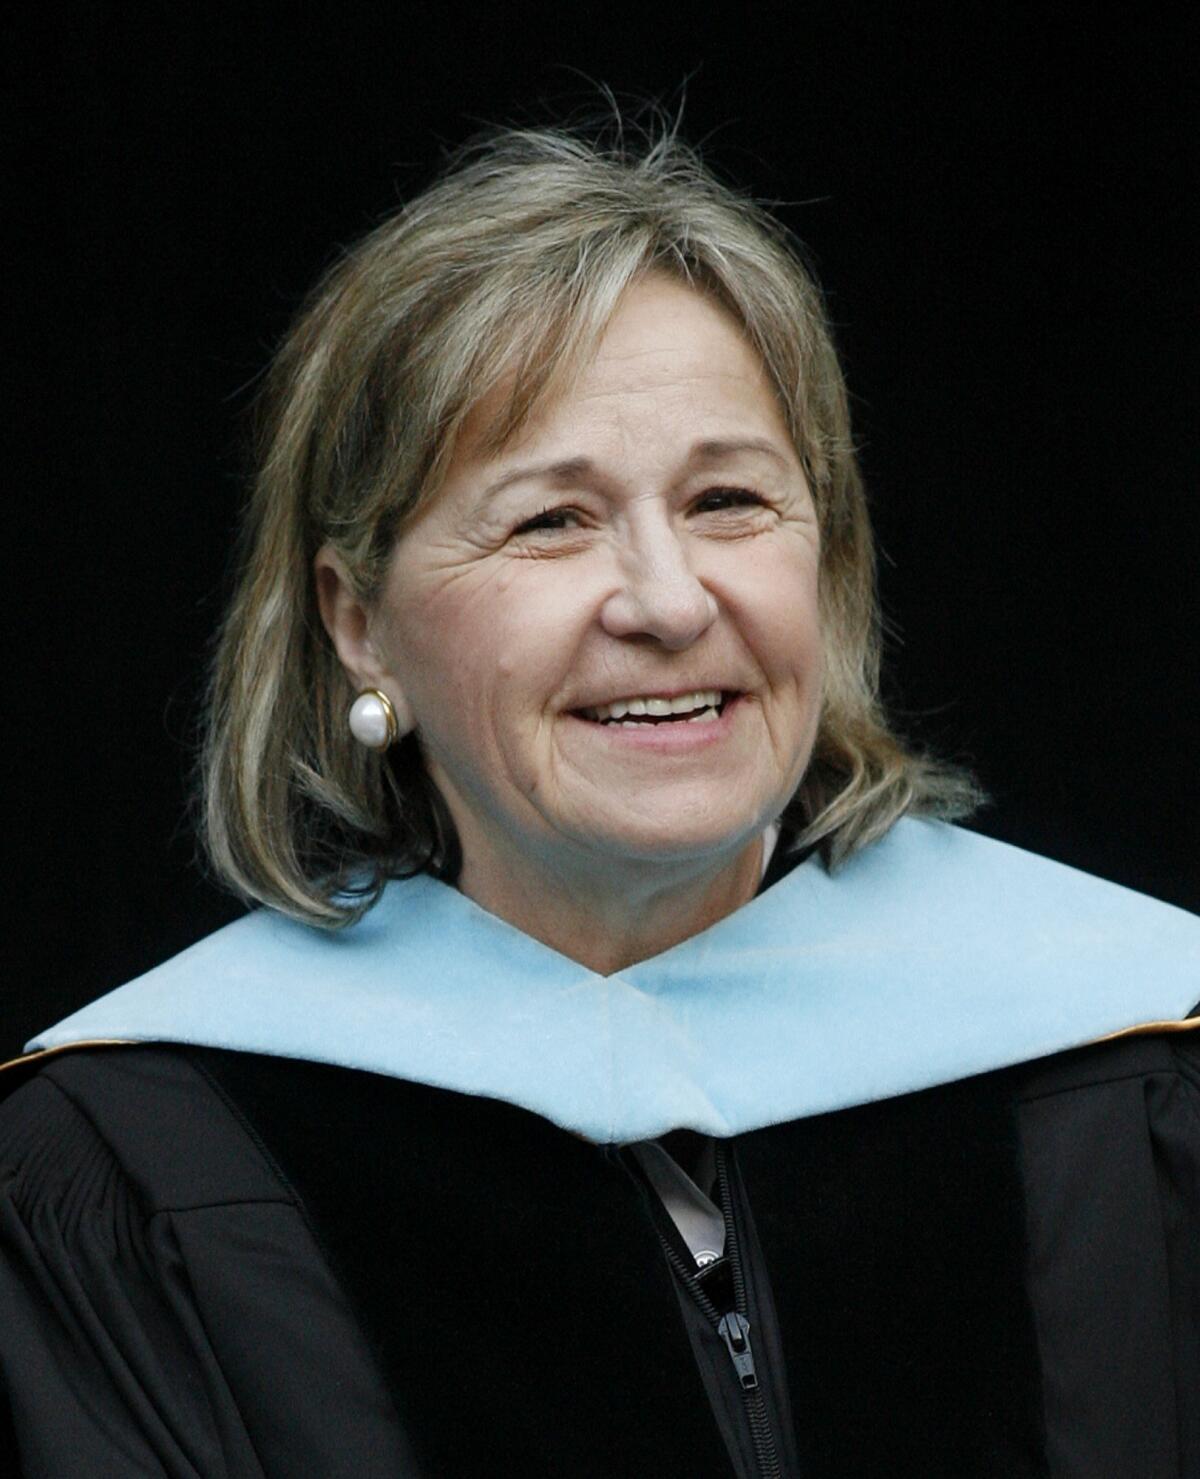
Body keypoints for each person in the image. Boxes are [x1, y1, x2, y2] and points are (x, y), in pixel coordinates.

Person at [2, 118, 1198, 1479]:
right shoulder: (139, 1160)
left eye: (730, 500)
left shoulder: (1131, 1062)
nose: (671, 600)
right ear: (358, 623)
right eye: (551, 520)